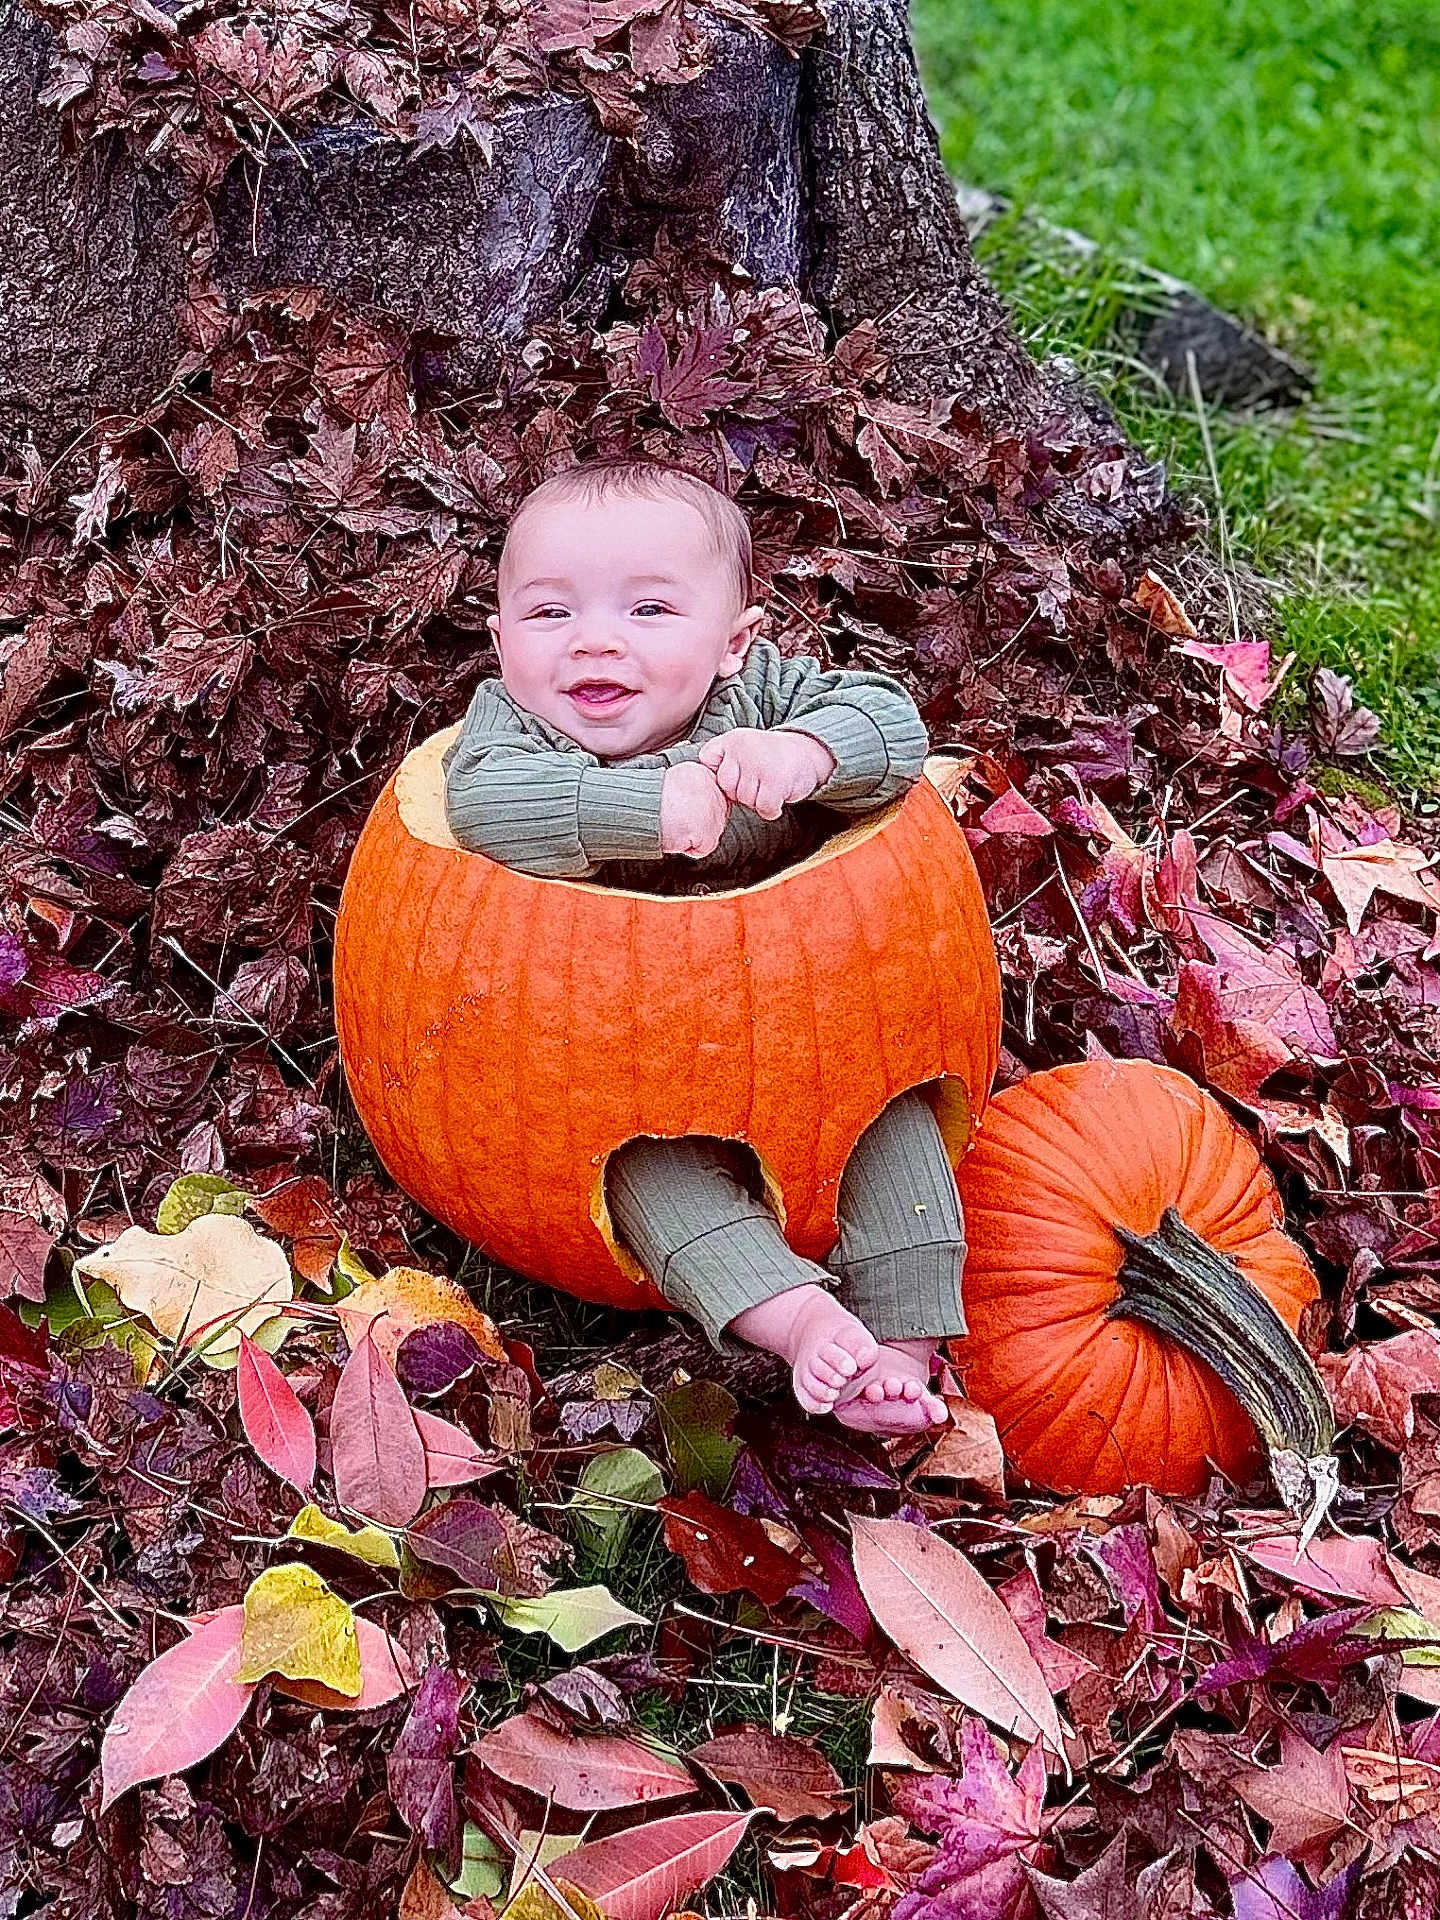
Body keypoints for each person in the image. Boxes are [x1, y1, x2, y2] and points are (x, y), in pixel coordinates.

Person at [442, 457, 967, 1434]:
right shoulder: (506, 736)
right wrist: (642, 807)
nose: (596, 640)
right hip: (616, 1074)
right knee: (644, 1182)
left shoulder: (764, 695)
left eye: (648, 611)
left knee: (891, 1119)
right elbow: (480, 807)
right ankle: (801, 1322)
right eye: (552, 615)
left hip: (819, 1023)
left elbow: (892, 723)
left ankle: (905, 1345)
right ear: (502, 639)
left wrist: (804, 755)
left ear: (734, 644)